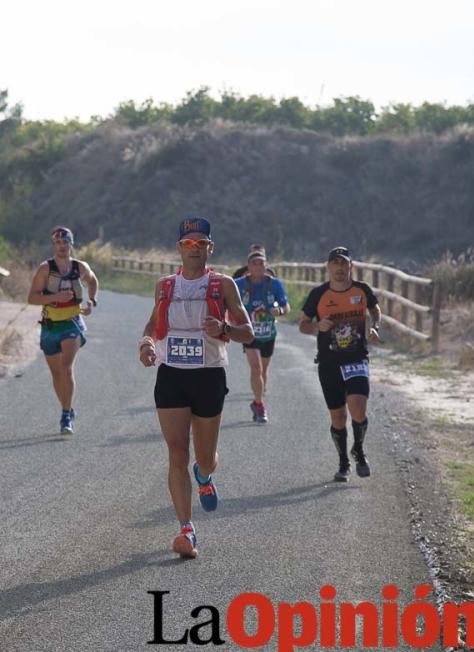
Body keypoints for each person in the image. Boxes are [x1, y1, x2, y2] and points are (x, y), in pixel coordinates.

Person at [139, 217, 254, 558]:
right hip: (171, 374)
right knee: (176, 452)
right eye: (188, 243)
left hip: (208, 376)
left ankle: (204, 475)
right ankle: (186, 530)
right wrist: (146, 342)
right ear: (179, 248)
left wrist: (224, 328)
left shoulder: (223, 285)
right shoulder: (165, 286)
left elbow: (248, 332)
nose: (194, 249)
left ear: (210, 248)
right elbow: (152, 321)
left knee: (204, 456)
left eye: (200, 243)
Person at [298, 247, 381, 481]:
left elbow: (375, 309)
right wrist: (316, 327)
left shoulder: (362, 290)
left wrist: (375, 326)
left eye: (344, 264)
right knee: (338, 417)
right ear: (328, 268)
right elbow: (302, 324)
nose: (340, 269)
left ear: (350, 266)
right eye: (335, 264)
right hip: (329, 362)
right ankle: (343, 461)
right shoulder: (318, 295)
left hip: (356, 357)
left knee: (358, 408)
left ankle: (360, 450)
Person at [27, 226, 99, 435]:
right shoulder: (45, 269)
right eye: (58, 243)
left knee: (66, 367)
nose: (62, 246)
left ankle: (66, 416)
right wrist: (53, 298)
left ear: (71, 244)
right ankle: (67, 407)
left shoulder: (80, 267)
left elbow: (93, 281)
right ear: (53, 245)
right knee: (57, 373)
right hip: (50, 325)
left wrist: (92, 301)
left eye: (65, 242)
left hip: (72, 322)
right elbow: (31, 298)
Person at [234, 248, 289, 423]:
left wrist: (279, 310)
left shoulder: (274, 284)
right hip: (249, 333)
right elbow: (225, 300)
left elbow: (286, 306)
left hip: (268, 332)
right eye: (254, 264)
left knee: (263, 370)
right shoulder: (239, 284)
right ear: (248, 266)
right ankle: (259, 405)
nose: (258, 267)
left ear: (266, 266)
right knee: (256, 368)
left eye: (261, 263)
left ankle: (258, 397)